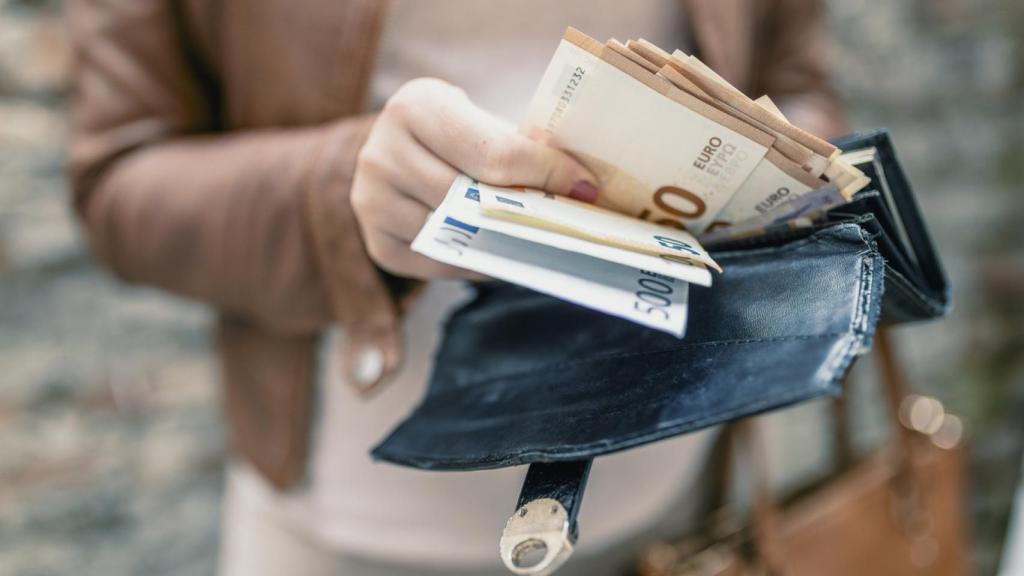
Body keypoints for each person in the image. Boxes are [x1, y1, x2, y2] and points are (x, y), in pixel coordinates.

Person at [68, 1, 846, 574]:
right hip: (350, 527)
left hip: (681, 485)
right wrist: (340, 188)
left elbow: (796, 84)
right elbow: (117, 182)